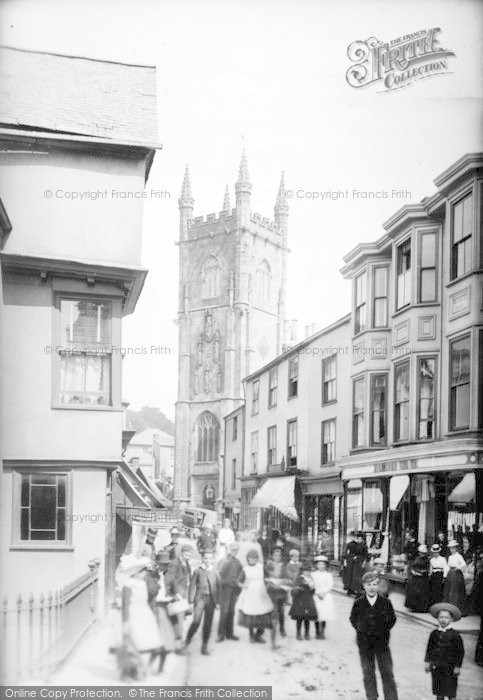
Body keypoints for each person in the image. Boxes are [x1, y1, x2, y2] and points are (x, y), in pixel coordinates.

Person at [350, 571, 398, 700]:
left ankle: (391, 697)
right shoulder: (359, 602)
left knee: (387, 672)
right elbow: (353, 619)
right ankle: (371, 696)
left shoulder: (385, 602)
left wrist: (382, 631)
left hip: (382, 644)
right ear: (364, 586)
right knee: (368, 672)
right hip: (365, 644)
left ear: (378, 586)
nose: (372, 587)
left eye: (375, 584)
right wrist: (363, 631)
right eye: (369, 584)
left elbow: (392, 619)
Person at [115, 554, 164, 679]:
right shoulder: (128, 585)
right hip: (133, 614)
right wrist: (125, 621)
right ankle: (128, 671)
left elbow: (149, 596)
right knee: (133, 644)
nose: (144, 574)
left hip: (144, 613)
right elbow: (125, 604)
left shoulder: (142, 583)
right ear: (135, 573)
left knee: (148, 643)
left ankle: (140, 668)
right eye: (142, 571)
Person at [425, 602, 465, 700]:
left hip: (450, 668)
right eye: (441, 617)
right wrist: (427, 662)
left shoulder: (455, 635)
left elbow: (460, 652)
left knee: (450, 691)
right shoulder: (434, 633)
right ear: (437, 618)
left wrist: (457, 666)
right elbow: (429, 648)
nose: (443, 620)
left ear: (451, 619)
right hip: (437, 667)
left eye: (446, 618)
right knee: (439, 690)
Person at [184, 549, 220, 655]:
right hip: (200, 599)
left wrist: (218, 601)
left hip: (211, 600)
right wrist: (190, 601)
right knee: (196, 621)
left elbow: (219, 587)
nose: (207, 560)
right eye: (205, 558)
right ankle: (186, 642)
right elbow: (192, 587)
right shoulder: (198, 571)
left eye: (210, 558)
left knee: (208, 624)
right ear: (202, 559)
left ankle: (204, 646)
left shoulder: (215, 572)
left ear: (213, 559)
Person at [237, 549, 274, 647]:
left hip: (261, 592)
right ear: (248, 559)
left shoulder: (261, 567)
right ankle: (251, 635)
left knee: (262, 614)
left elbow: (269, 578)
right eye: (251, 558)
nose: (253, 560)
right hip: (250, 593)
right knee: (251, 615)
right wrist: (244, 586)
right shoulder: (245, 569)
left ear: (257, 559)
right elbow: (239, 581)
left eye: (255, 558)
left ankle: (259, 634)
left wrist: (266, 587)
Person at [164, 544, 193, 640]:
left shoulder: (186, 562)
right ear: (181, 553)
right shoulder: (175, 563)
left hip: (184, 589)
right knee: (178, 615)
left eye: (189, 555)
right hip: (178, 591)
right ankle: (179, 638)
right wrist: (171, 593)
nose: (188, 557)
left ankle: (179, 636)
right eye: (186, 555)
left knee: (182, 614)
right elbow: (168, 579)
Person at [217, 541, 243, 642]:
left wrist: (238, 589)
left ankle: (230, 633)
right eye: (233, 550)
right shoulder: (224, 560)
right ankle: (221, 634)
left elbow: (241, 576)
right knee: (224, 612)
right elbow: (218, 576)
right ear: (228, 549)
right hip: (225, 590)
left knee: (231, 611)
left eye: (236, 550)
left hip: (234, 590)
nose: (234, 552)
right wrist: (227, 581)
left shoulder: (237, 562)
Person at [264, 546, 289, 637]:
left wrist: (283, 583)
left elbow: (286, 578)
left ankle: (282, 628)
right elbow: (265, 577)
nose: (277, 557)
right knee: (271, 610)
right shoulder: (268, 565)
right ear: (272, 556)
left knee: (281, 611)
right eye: (275, 555)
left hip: (281, 591)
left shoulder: (283, 566)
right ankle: (269, 627)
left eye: (279, 556)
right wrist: (269, 581)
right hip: (271, 590)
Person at [311, 554, 336, 639]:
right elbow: (312, 584)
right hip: (316, 595)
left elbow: (330, 584)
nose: (321, 566)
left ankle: (322, 632)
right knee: (317, 614)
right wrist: (317, 592)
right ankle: (317, 632)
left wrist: (324, 592)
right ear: (316, 565)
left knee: (324, 615)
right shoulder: (313, 574)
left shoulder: (328, 575)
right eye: (319, 564)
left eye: (323, 564)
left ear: (326, 565)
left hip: (326, 596)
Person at [289, 566, 317, 640]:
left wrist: (312, 588)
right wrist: (299, 587)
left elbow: (313, 592)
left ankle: (306, 633)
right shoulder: (299, 579)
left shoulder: (311, 580)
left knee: (307, 619)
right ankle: (298, 633)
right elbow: (294, 590)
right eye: (305, 571)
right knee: (299, 618)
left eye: (308, 571)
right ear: (302, 572)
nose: (307, 573)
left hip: (308, 601)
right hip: (300, 601)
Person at [443, 540, 466, 613]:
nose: (451, 550)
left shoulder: (459, 556)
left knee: (455, 591)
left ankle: (455, 608)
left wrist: (458, 567)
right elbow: (448, 566)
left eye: (453, 548)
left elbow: (463, 564)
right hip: (450, 573)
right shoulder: (450, 557)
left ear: (456, 548)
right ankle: (449, 607)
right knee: (449, 590)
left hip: (456, 574)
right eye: (450, 548)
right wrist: (445, 575)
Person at [405, 544, 430, 612]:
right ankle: (413, 607)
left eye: (422, 553)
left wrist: (420, 572)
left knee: (421, 593)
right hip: (415, 578)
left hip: (422, 579)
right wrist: (412, 571)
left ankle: (420, 608)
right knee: (413, 592)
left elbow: (427, 570)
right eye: (420, 552)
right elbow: (413, 566)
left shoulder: (427, 560)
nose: (421, 554)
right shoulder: (417, 558)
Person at [348, 531, 368, 596]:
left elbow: (366, 555)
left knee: (360, 577)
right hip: (356, 563)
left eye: (360, 539)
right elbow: (353, 553)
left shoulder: (364, 546)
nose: (359, 540)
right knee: (355, 577)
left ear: (362, 539)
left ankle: (359, 591)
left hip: (361, 562)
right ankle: (354, 589)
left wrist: (364, 562)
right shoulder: (355, 545)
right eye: (358, 538)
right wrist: (354, 557)